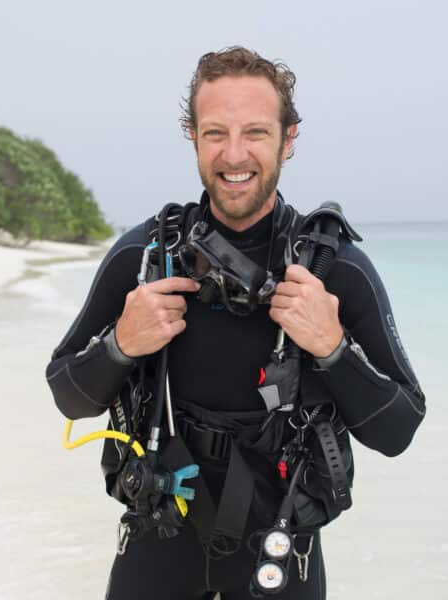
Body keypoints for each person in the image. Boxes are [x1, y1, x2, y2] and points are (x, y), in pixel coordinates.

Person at [46, 47, 426, 600]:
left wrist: (333, 348)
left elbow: (399, 430)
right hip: (159, 539)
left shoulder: (333, 270)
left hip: (279, 555)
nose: (234, 154)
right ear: (193, 137)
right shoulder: (145, 259)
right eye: (215, 133)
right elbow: (68, 396)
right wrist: (121, 345)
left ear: (288, 139)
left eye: (255, 132)